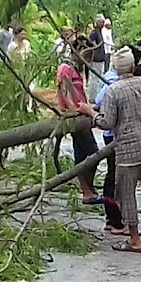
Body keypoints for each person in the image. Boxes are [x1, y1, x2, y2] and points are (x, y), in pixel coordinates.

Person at [77, 47, 141, 254]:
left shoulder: (114, 91)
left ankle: (135, 240)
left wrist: (90, 112)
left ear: (115, 68)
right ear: (133, 66)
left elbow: (107, 122)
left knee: (127, 194)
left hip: (127, 150)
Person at [56, 44, 104, 206]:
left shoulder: (77, 68)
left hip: (83, 113)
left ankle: (88, 190)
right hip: (76, 117)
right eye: (87, 56)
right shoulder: (65, 68)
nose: (88, 60)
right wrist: (74, 110)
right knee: (91, 152)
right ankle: (86, 189)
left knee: (82, 152)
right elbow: (66, 93)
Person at [95, 67, 127, 234]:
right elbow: (99, 100)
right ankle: (115, 219)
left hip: (112, 134)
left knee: (113, 174)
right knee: (117, 177)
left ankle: (113, 218)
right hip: (115, 134)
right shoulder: (114, 83)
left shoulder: (111, 80)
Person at [87, 14, 107, 102]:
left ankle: (96, 96)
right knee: (94, 78)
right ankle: (92, 97)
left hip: (100, 58)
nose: (103, 24)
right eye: (101, 22)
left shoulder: (100, 32)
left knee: (98, 78)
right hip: (96, 59)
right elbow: (89, 42)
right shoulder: (94, 33)